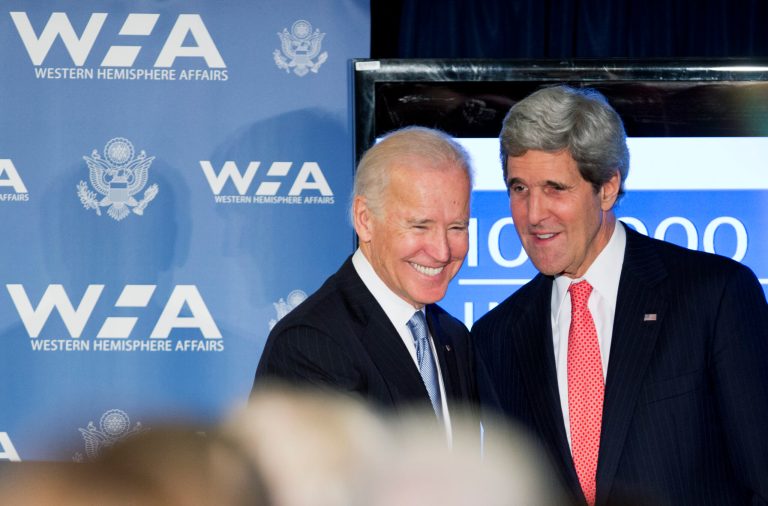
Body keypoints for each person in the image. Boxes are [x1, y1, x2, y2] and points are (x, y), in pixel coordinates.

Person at [472, 85, 768, 505]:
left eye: (555, 188)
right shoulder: (495, 337)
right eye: (519, 188)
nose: (533, 214)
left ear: (607, 188)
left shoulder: (713, 296)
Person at [254, 126, 478, 435]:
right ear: (365, 219)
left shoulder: (453, 337)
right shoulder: (309, 344)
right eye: (420, 226)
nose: (442, 251)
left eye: (457, 227)